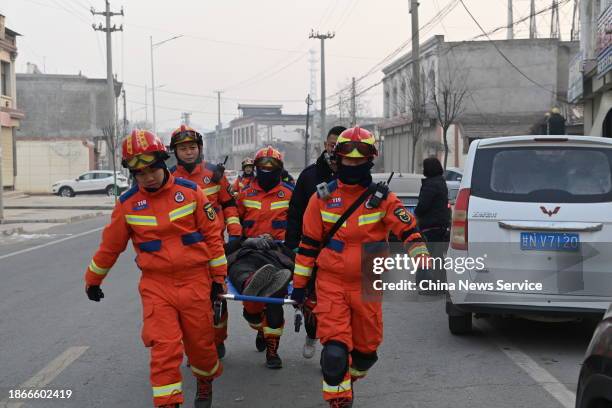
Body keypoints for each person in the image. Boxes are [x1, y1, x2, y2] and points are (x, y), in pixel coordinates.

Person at [84, 130, 226, 408]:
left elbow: (212, 237)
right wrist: (93, 280)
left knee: (202, 349)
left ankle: (205, 380)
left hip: (195, 282)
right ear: (132, 173)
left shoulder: (191, 193)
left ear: (163, 161)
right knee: (164, 348)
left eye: (152, 169)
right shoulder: (126, 206)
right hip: (157, 286)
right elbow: (109, 248)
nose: (147, 176)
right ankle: (168, 403)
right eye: (140, 172)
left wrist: (218, 279)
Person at [290, 127, 430, 408]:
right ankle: (339, 399)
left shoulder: (383, 199)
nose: (352, 165)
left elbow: (409, 232)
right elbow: (307, 247)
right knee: (334, 354)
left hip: (368, 283)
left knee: (366, 352)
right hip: (331, 284)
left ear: (370, 160)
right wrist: (300, 287)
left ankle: (348, 380)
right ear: (337, 160)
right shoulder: (321, 199)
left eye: (359, 160)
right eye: (348, 160)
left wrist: (423, 261)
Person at [169, 124, 240, 358]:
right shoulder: (168, 178)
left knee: (216, 297)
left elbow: (230, 205)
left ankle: (217, 341)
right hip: (183, 253)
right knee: (189, 305)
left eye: (192, 147)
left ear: (199, 149)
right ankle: (197, 347)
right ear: (175, 152)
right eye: (183, 148)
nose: (188, 152)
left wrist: (235, 232)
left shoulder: (215, 174)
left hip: (214, 248)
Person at [285, 125, 346, 359]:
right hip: (311, 249)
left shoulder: (352, 176)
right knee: (311, 299)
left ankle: (332, 352)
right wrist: (291, 245)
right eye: (332, 145)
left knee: (336, 305)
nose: (335, 149)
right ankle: (312, 333)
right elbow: (295, 211)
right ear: (325, 145)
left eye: (341, 146)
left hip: (342, 255)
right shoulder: (310, 175)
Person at [235, 146, 294, 369]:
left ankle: (272, 349)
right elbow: (234, 224)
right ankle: (257, 323)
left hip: (278, 251)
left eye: (273, 167)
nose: (267, 171)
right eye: (263, 167)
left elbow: (298, 227)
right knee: (242, 278)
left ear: (280, 169)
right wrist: (246, 241)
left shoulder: (289, 193)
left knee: (274, 296)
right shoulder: (244, 194)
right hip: (249, 249)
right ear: (256, 169)